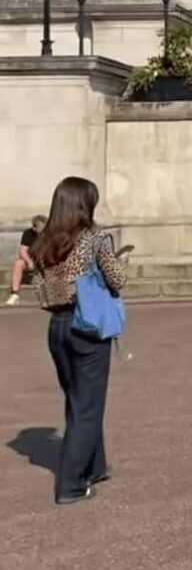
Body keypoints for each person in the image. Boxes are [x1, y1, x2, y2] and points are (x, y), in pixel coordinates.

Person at [30, 178, 129, 504]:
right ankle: (71, 485)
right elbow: (117, 280)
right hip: (87, 325)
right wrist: (123, 261)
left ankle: (94, 464)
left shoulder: (43, 242)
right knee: (87, 405)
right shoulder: (95, 239)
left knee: (78, 400)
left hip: (57, 326)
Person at [6, 215, 46, 306]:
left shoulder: (51, 233)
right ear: (34, 228)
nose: (43, 231)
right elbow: (23, 250)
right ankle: (14, 293)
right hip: (33, 260)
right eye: (41, 228)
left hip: (46, 259)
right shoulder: (28, 233)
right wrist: (29, 261)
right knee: (18, 264)